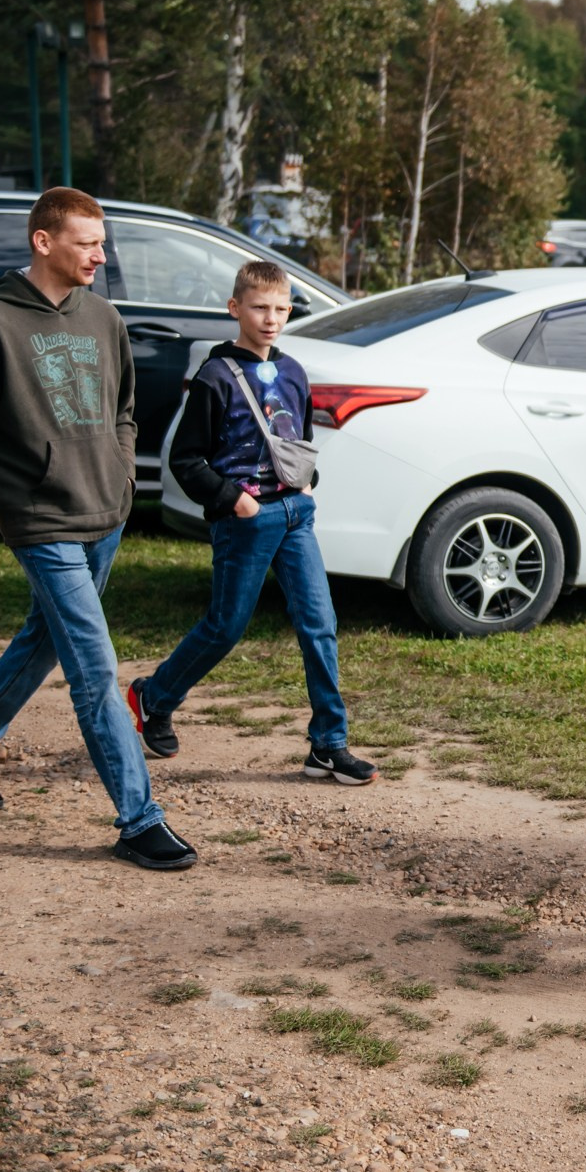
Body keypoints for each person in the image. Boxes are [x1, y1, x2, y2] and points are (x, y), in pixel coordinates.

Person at [0, 187, 197, 872]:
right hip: (42, 521)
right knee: (95, 671)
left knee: (44, 639)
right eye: (87, 243)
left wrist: (121, 474)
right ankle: (139, 819)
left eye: (102, 243)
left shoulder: (103, 316)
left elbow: (124, 410)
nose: (101, 256)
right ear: (43, 242)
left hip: (106, 513)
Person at [127, 260, 375, 785]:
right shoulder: (215, 376)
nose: (271, 319)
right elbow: (186, 459)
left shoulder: (294, 372)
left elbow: (298, 440)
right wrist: (234, 501)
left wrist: (308, 482)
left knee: (319, 625)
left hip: (295, 516)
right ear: (235, 308)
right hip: (245, 520)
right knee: (225, 627)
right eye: (260, 308)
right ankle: (155, 697)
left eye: (281, 309)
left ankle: (328, 745)